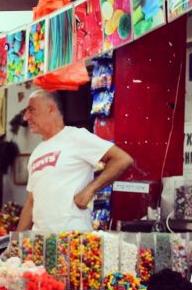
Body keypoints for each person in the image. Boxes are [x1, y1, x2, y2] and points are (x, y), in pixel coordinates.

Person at [16, 89, 133, 233]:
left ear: (50, 109)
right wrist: (15, 242)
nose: (26, 117)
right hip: (42, 243)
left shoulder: (76, 137)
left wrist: (90, 190)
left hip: (73, 240)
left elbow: (122, 159)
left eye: (31, 110)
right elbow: (31, 202)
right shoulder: (36, 153)